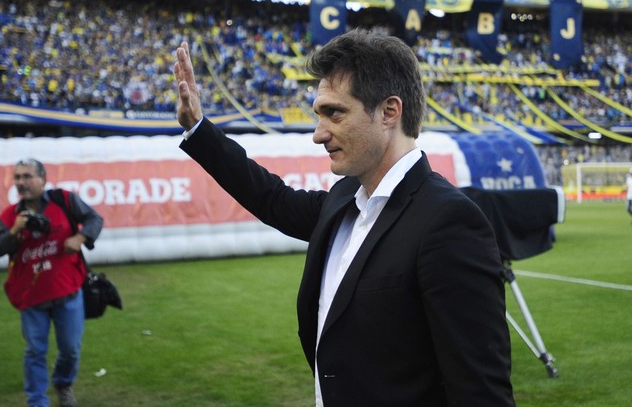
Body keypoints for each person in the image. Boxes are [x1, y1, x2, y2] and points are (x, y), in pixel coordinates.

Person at [173, 29, 515, 406]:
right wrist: (199, 130)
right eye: (319, 115)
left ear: (389, 112)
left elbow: (482, 393)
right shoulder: (343, 201)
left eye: (334, 113)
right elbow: (271, 198)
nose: (319, 134)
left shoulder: (449, 222)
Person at [0, 159, 104, 407]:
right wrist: (13, 231)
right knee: (35, 351)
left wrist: (81, 237)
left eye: (27, 176)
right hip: (31, 297)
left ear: (43, 179)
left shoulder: (63, 200)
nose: (21, 182)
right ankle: (37, 400)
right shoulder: (10, 215)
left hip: (67, 291)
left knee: (71, 349)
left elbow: (95, 219)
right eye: (17, 177)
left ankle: (63, 384)